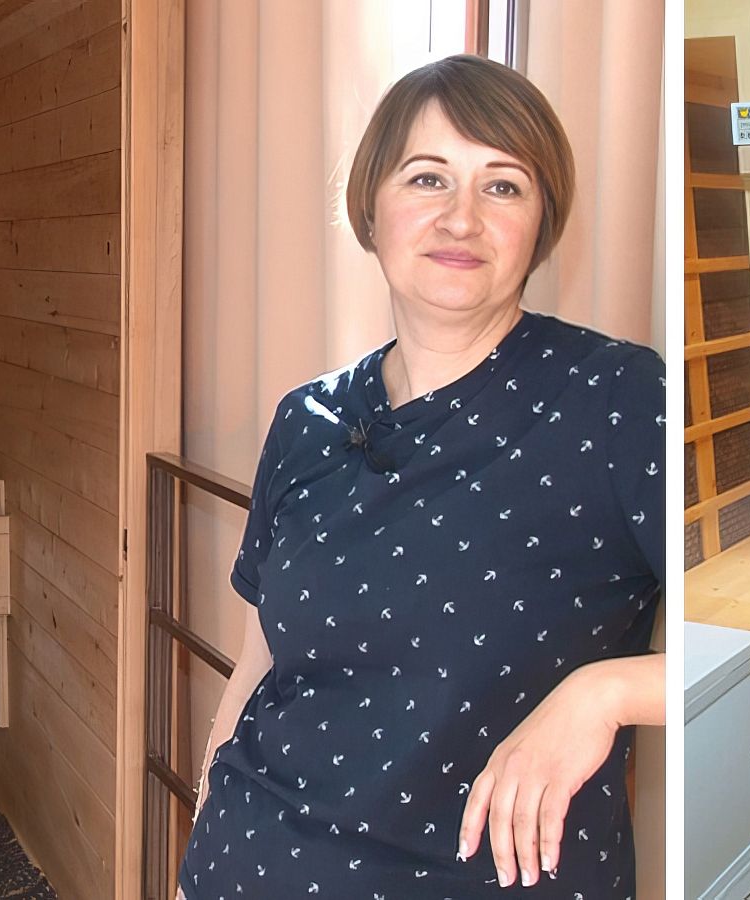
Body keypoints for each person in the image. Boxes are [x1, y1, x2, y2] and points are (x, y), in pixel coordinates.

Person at [176, 55, 664, 898]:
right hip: (244, 864)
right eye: (428, 177)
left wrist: (604, 691)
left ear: (542, 222)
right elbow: (263, 654)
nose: (461, 218)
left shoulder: (614, 396)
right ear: (371, 205)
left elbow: (714, 632)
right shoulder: (306, 418)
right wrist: (204, 821)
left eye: (502, 186)